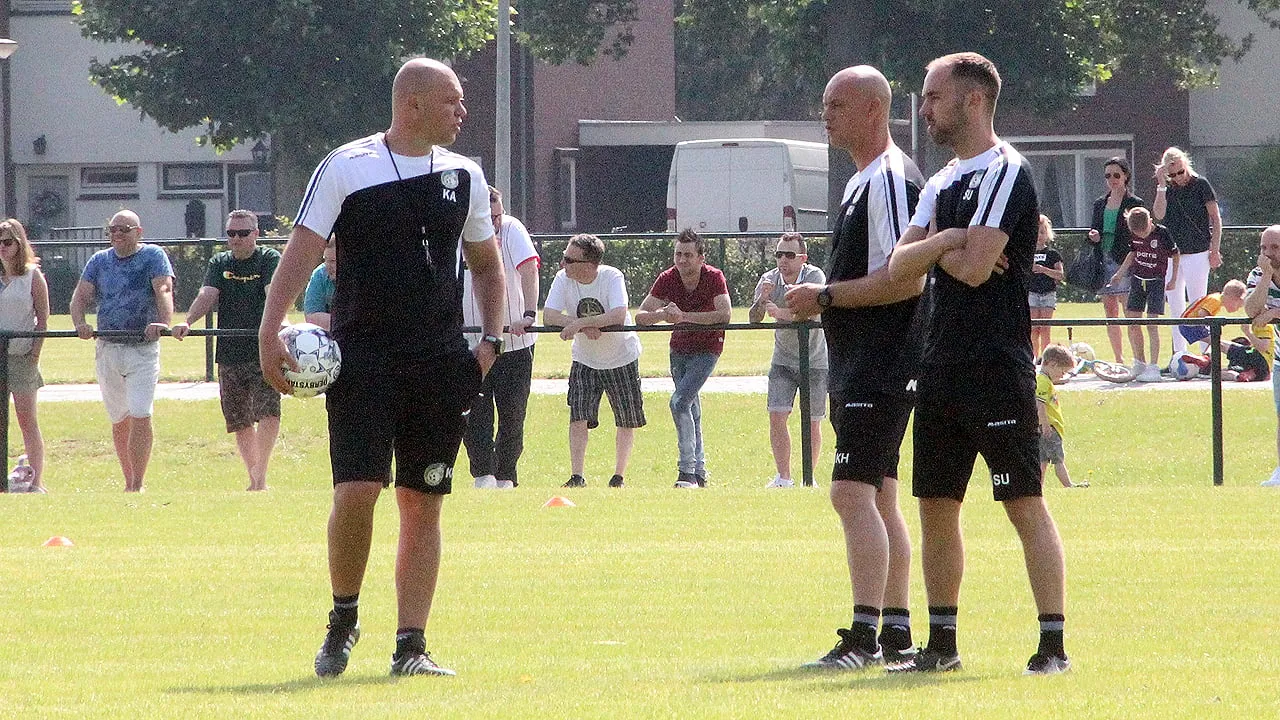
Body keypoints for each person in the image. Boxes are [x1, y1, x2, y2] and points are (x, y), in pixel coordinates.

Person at [257, 58, 506, 678]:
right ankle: (343, 618)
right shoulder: (347, 166)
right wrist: (269, 330)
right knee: (358, 490)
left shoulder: (465, 175)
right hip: (363, 356)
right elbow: (299, 254)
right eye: (453, 101)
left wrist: (491, 342)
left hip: (440, 360)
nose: (462, 112)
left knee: (424, 500)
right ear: (414, 104)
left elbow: (487, 264)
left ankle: (411, 646)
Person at [886, 52, 1070, 676]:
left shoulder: (1005, 169)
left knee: (1023, 501)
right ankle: (941, 647)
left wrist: (940, 250)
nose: (925, 108)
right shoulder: (940, 182)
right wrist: (948, 241)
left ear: (972, 101)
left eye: (934, 96)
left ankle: (1052, 646)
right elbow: (898, 267)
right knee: (936, 503)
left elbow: (972, 267)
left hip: (995, 366)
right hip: (938, 364)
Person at [784, 65, 923, 669]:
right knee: (881, 495)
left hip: (880, 359)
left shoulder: (890, 179)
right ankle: (895, 632)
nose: (826, 115)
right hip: (861, 358)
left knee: (848, 493)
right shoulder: (861, 181)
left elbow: (903, 278)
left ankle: (863, 638)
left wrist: (826, 297)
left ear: (873, 110)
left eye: (837, 105)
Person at [172, 210, 282, 491]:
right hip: (230, 353)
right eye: (231, 233)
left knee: (268, 412)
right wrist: (187, 321)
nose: (236, 239)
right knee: (239, 419)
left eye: (242, 233)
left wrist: (280, 323)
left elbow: (274, 293)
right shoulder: (219, 262)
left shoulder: (269, 259)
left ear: (255, 234)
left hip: (261, 349)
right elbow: (207, 295)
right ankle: (254, 478)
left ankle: (262, 474)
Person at [70, 209, 174, 493]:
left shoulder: (153, 256)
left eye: (123, 229)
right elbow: (79, 297)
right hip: (108, 346)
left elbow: (164, 289)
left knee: (141, 412)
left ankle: (137, 484)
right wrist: (80, 323)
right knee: (119, 418)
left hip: (142, 348)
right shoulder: (99, 261)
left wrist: (163, 323)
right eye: (112, 230)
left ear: (138, 232)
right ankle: (127, 480)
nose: (117, 234)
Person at [543, 233, 645, 488]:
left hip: (621, 357)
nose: (563, 264)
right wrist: (580, 325)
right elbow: (550, 315)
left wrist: (582, 322)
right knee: (578, 414)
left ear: (589, 265)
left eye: (569, 259)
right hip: (585, 359)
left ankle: (618, 476)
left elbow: (619, 314)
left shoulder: (612, 277)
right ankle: (577, 476)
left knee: (626, 418)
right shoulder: (562, 279)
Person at [635, 229, 731, 488]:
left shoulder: (714, 277)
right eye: (678, 254)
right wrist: (662, 314)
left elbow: (724, 314)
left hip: (708, 348)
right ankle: (699, 472)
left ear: (701, 257)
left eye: (688, 255)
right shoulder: (667, 278)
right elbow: (641, 315)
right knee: (691, 407)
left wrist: (683, 316)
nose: (682, 260)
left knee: (679, 402)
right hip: (679, 349)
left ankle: (686, 471)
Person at [463, 186, 539, 490]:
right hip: (471, 342)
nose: (495, 222)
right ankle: (483, 474)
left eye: (498, 215)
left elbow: (529, 269)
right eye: (489, 216)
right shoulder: (460, 233)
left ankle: (506, 475)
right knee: (474, 412)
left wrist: (530, 314)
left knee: (512, 413)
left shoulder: (512, 229)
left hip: (513, 344)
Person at [749, 232, 828, 489]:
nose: (783, 260)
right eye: (779, 254)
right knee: (777, 415)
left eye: (790, 255)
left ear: (803, 258)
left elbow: (814, 313)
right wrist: (762, 300)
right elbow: (754, 318)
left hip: (814, 360)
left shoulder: (814, 278)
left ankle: (809, 477)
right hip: (782, 359)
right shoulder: (769, 279)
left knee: (812, 420)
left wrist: (782, 313)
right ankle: (783, 478)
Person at [1152, 147, 1221, 356]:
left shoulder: (1200, 184)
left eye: (1180, 172)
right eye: (1172, 175)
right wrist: (1162, 185)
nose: (1178, 178)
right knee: (1174, 305)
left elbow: (1215, 218)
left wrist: (1214, 249)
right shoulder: (1168, 188)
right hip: (1173, 254)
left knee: (1199, 303)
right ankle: (1179, 354)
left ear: (1185, 165)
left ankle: (1204, 354)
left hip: (1198, 252)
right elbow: (1159, 214)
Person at [0, 219, 48, 491]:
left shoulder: (32, 276)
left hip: (21, 356)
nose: (3, 249)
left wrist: (34, 355)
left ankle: (36, 481)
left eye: (8, 242)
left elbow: (42, 319)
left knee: (26, 420)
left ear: (20, 244)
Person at [1110, 207, 1179, 382]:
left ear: (1150, 222)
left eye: (1144, 232)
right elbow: (1132, 253)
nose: (1142, 236)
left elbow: (1175, 255)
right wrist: (1119, 273)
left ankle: (1154, 367)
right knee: (1133, 321)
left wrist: (1173, 279)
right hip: (1137, 279)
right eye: (1137, 233)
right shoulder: (1133, 234)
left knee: (1151, 323)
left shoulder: (1162, 234)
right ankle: (1139, 361)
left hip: (1156, 281)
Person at [1088, 157, 1146, 363]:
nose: (1112, 179)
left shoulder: (1134, 203)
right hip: (1103, 259)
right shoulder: (1099, 203)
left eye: (1116, 175)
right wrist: (1094, 236)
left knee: (1129, 310)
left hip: (1124, 260)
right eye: (1107, 176)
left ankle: (1138, 360)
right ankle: (1118, 359)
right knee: (1109, 310)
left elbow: (1140, 233)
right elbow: (1094, 229)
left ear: (1125, 176)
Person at [1243, 226, 1280, 486]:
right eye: (1263, 248)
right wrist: (1267, 277)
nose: (1268, 253)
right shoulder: (1258, 274)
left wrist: (1274, 313)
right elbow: (1252, 309)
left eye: (1275, 248)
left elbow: (1265, 315)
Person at [1036, 345, 1085, 489]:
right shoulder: (1043, 382)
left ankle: (1038, 486)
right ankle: (1068, 485)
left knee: (1042, 460)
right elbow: (1040, 405)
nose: (1062, 375)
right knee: (1058, 459)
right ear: (1052, 364)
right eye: (1062, 371)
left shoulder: (1044, 380)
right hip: (1049, 427)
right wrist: (1045, 425)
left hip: (1047, 426)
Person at [1029, 215, 1064, 357]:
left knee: (1045, 328)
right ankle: (1033, 357)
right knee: (1033, 329)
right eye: (1036, 232)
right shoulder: (1027, 253)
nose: (1039, 235)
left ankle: (1045, 358)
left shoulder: (1052, 254)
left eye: (1042, 232)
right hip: (1031, 293)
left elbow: (1060, 274)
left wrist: (1044, 270)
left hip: (1048, 293)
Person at [1177, 279, 1246, 350]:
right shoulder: (1216, 300)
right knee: (1216, 341)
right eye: (1238, 306)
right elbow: (1202, 313)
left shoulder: (1216, 299)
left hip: (1191, 324)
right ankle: (1231, 350)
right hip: (1190, 325)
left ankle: (1208, 356)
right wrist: (1212, 324)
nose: (1237, 309)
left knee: (1215, 339)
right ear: (1233, 298)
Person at [303, 238, 336, 330]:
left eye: (333, 261)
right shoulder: (320, 274)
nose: (328, 266)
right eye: (326, 260)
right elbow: (312, 318)